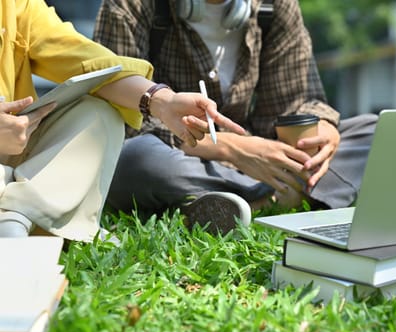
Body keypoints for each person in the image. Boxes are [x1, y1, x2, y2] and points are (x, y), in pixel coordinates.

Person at [93, 0, 378, 233]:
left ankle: (235, 206)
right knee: (136, 159)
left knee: (373, 131)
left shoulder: (275, 6)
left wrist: (322, 128)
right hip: (176, 156)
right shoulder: (131, 5)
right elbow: (121, 119)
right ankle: (286, 197)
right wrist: (232, 147)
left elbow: (291, 104)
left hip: (258, 163)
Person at [0, 0, 245, 241]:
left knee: (98, 115)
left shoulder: (15, 5)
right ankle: (31, 220)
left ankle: (19, 215)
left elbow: (82, 58)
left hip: (17, 156)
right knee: (143, 161)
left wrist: (162, 101)